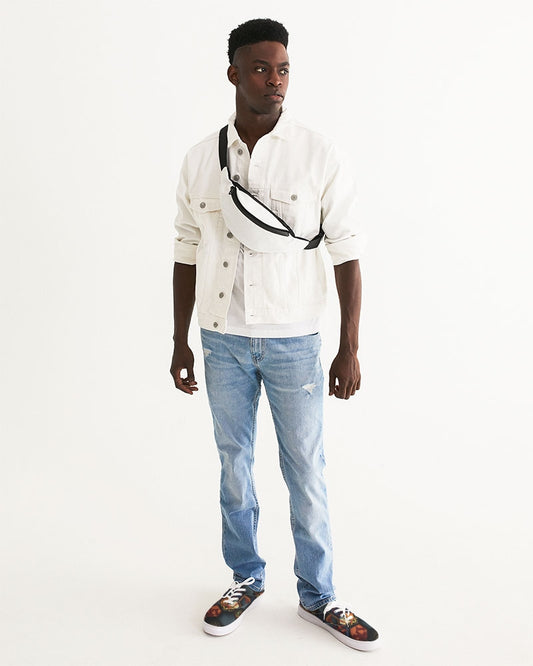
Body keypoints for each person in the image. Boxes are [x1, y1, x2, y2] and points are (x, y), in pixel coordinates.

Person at [170, 18, 380, 651]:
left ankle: (319, 595)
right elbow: (185, 250)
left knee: (306, 470)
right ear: (233, 73)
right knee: (234, 465)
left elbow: (347, 250)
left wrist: (349, 346)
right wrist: (179, 340)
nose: (275, 80)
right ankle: (246, 577)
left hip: (295, 341)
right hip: (221, 340)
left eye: (283, 68)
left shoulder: (319, 154)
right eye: (261, 68)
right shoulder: (200, 159)